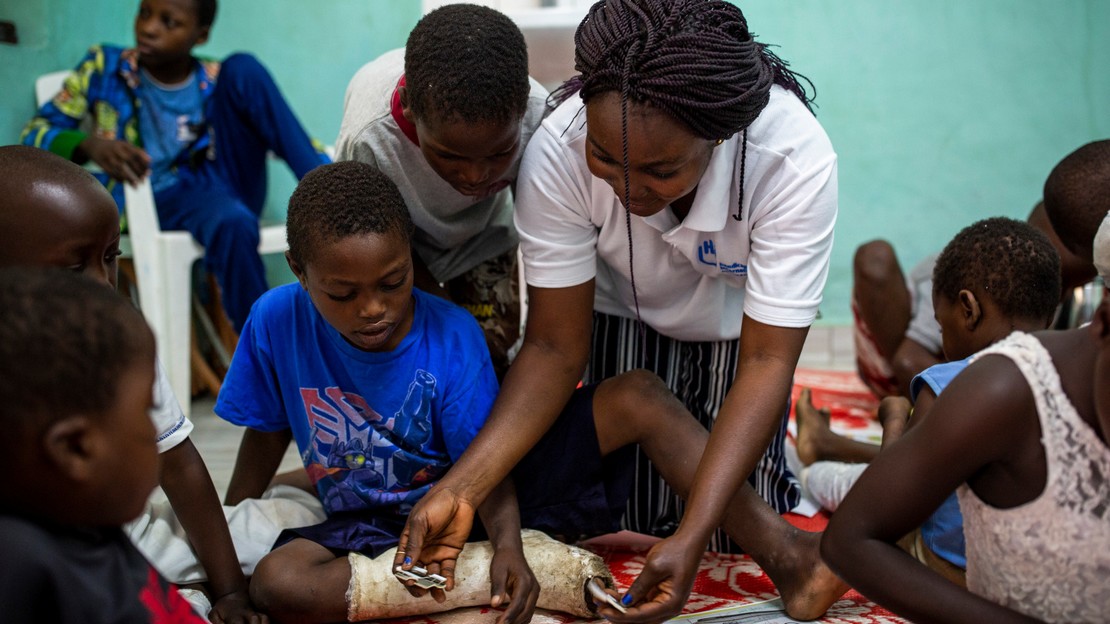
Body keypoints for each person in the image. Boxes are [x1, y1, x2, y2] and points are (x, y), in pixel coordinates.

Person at [396, 0, 849, 621]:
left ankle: (794, 466)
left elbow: (768, 359)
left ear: (718, 137)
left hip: (733, 329)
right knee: (623, 513)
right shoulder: (558, 145)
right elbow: (554, 347)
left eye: (662, 170)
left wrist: (690, 540)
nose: (630, 190)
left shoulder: (790, 161)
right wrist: (461, 489)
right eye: (607, 160)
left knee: (713, 533)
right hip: (615, 309)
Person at [215, 161, 541, 624]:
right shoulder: (275, 320)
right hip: (357, 519)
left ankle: (465, 572)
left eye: (392, 283)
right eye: (342, 294)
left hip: (450, 520)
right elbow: (266, 433)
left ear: (409, 255)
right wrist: (229, 536)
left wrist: (509, 547)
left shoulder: (452, 336)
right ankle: (430, 586)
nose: (372, 309)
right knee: (276, 582)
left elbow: (485, 467)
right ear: (299, 271)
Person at [0, 145, 259, 622]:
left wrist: (231, 592)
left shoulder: (117, 336)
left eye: (109, 258)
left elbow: (177, 463)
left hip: (127, 527)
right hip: (59, 550)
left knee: (264, 543)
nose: (104, 286)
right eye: (74, 268)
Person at [21, 0, 330, 332]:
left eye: (169, 22)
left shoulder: (216, 80)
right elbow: (34, 134)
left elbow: (282, 131)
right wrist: (89, 144)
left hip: (223, 184)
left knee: (244, 67)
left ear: (201, 35)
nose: (149, 28)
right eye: (145, 13)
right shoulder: (105, 67)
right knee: (234, 222)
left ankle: (330, 194)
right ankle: (265, 348)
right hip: (157, 197)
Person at [804, 217, 1063, 586]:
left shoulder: (947, 385)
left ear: (968, 309)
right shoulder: (1069, 374)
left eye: (941, 327)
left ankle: (814, 465)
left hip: (951, 573)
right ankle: (824, 443)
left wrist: (895, 419)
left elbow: (887, 505)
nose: (942, 340)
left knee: (828, 480)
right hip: (1036, 579)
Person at [335, 3, 548, 378]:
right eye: (450, 155)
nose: (475, 176)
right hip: (400, 251)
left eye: (500, 154)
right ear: (410, 113)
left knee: (491, 354)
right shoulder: (369, 139)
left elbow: (548, 234)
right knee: (425, 362)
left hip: (486, 237)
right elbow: (368, 242)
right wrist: (447, 315)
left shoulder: (537, 116)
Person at [798, 201, 1097, 467]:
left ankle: (828, 444)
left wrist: (897, 420)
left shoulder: (1070, 303)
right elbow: (908, 361)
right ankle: (832, 442)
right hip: (907, 374)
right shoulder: (948, 372)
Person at [0, 267, 209, 624]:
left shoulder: (94, 523)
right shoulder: (23, 565)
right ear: (76, 449)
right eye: (146, 410)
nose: (153, 428)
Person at [850, 201, 1094, 402]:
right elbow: (907, 360)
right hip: (901, 372)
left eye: (1070, 286)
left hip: (973, 385)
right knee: (875, 256)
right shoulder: (958, 282)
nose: (1060, 296)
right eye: (1062, 282)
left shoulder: (1061, 301)